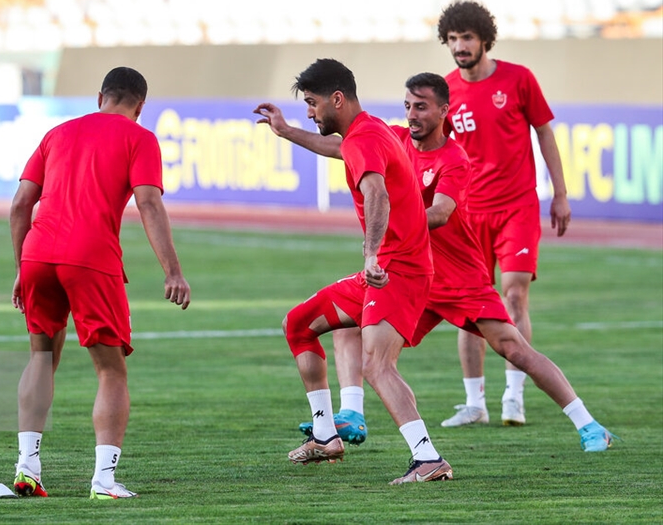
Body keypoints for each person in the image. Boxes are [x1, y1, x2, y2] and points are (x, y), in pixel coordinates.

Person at [260, 72, 613, 454]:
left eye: (422, 108)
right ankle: (350, 415)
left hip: (457, 276)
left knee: (513, 348)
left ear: (445, 111)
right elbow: (338, 149)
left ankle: (588, 424)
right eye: (408, 106)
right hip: (407, 272)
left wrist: (386, 222)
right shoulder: (393, 138)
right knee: (350, 326)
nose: (412, 115)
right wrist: (286, 131)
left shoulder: (455, 159)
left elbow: (441, 213)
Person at [255, 59, 451, 485]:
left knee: (377, 364)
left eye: (312, 103)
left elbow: (376, 193)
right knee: (298, 324)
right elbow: (339, 149)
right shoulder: (368, 130)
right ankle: (326, 436)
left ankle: (428, 458)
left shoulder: (365, 138)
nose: (309, 111)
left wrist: (371, 255)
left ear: (336, 99)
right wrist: (287, 132)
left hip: (397, 269)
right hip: (391, 265)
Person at [9, 66, 191, 499]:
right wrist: (172, 270)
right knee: (111, 370)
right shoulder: (139, 138)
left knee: (40, 358)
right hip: (90, 257)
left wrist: (21, 266)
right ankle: (104, 480)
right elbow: (148, 201)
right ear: (140, 106)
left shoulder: (57, 133)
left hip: (38, 252)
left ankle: (27, 467)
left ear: (99, 97)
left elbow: (20, 205)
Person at [437, 0, 571, 427]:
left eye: (467, 37)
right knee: (470, 304)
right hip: (466, 212)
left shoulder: (518, 79)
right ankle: (474, 403)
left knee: (514, 294)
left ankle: (514, 395)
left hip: (517, 206)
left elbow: (545, 132)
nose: (460, 46)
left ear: (484, 39)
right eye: (453, 38)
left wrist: (560, 193)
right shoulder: (443, 92)